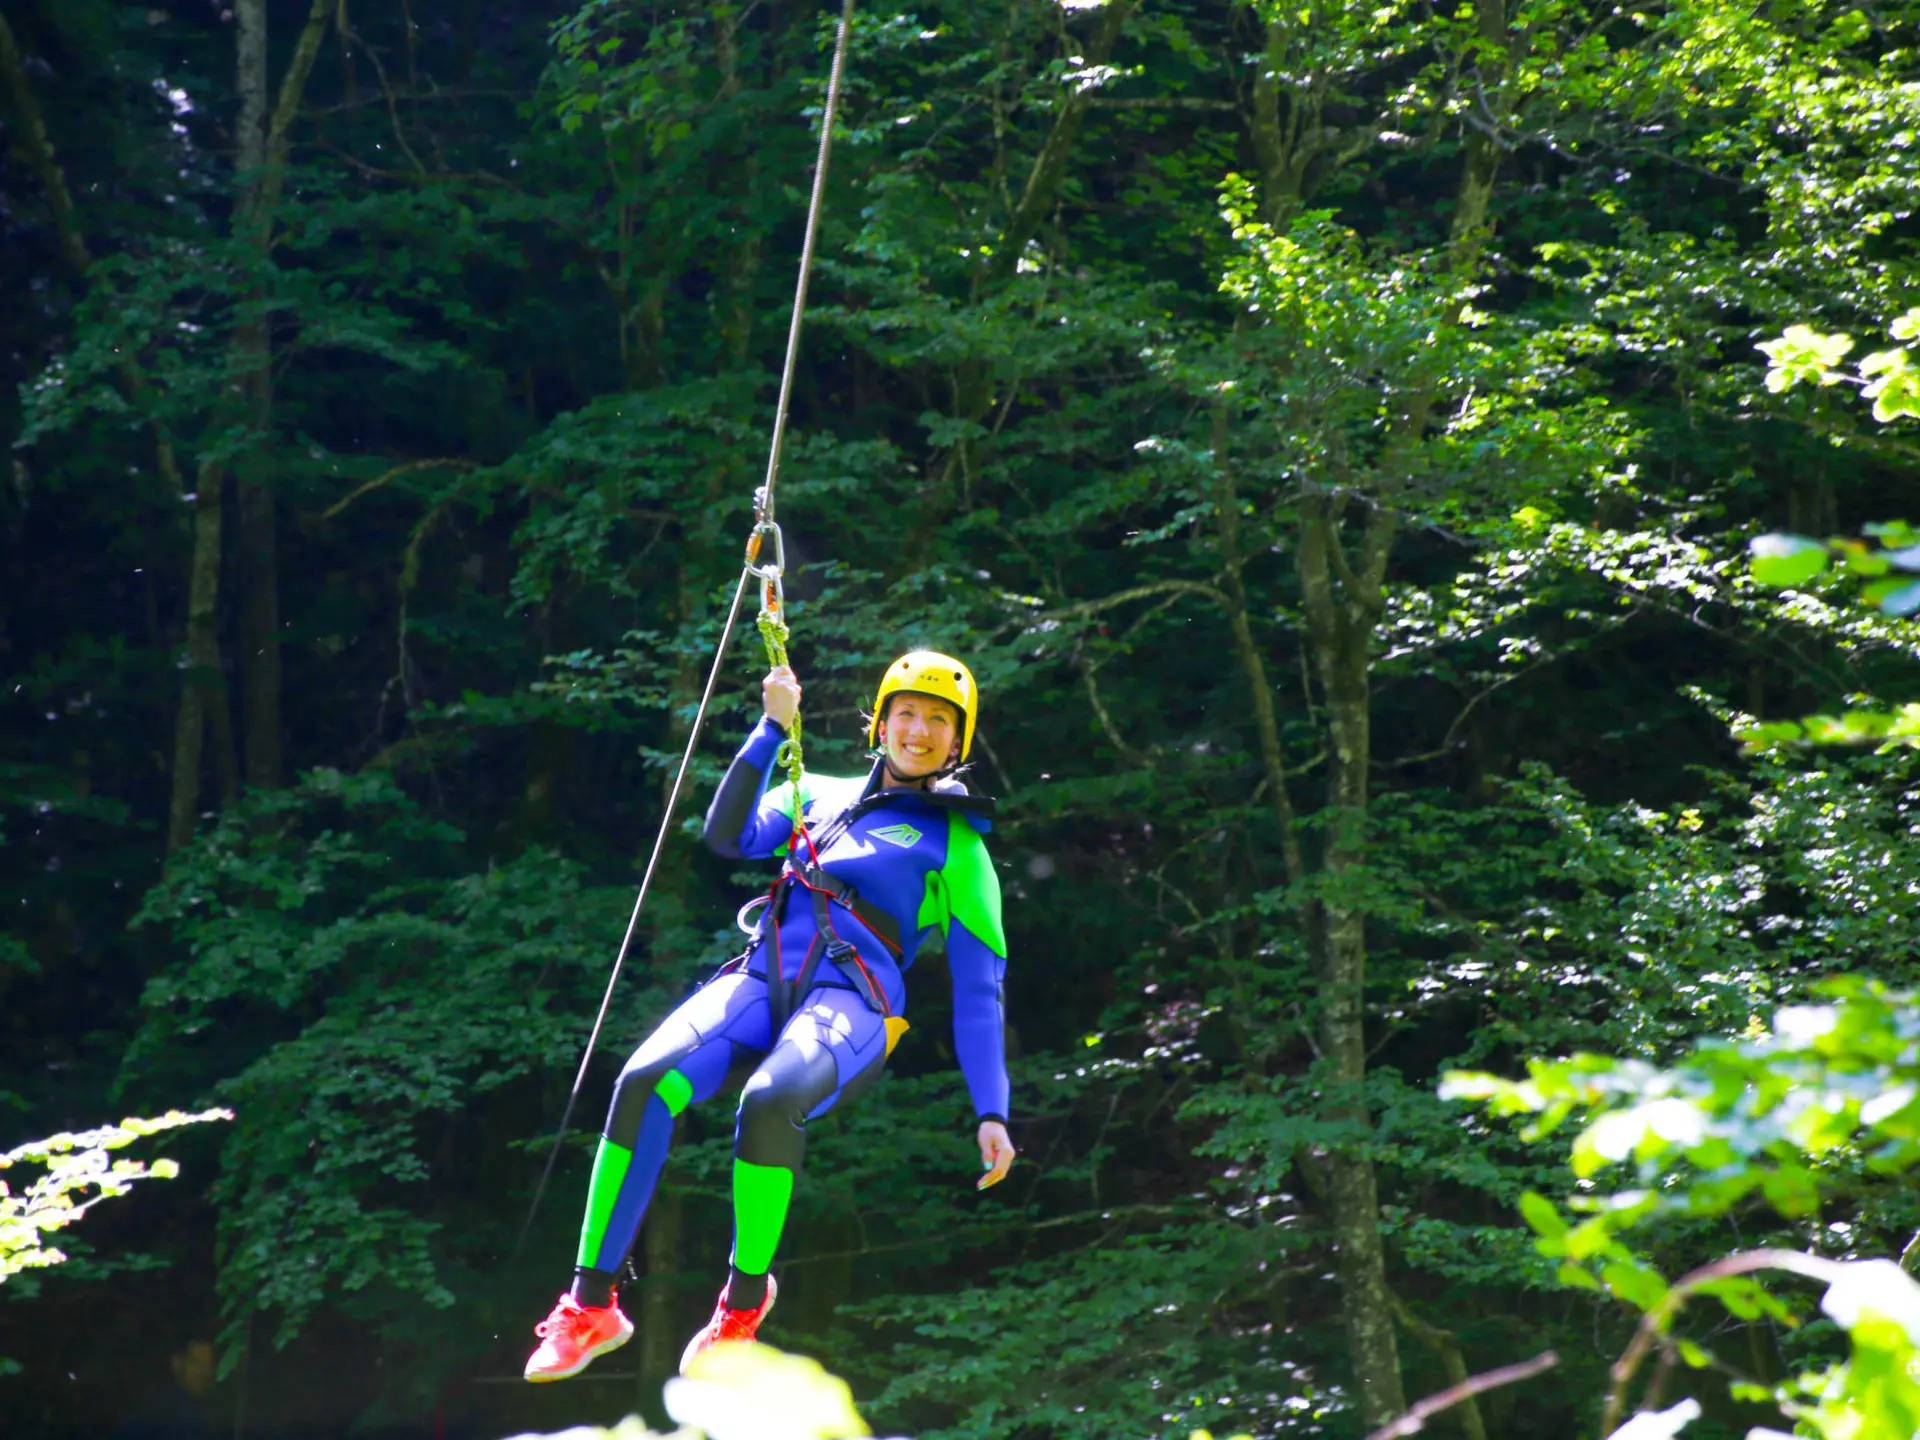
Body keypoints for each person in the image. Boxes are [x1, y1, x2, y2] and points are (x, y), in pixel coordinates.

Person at [524, 650, 1015, 1382]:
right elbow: (727, 839)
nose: (919, 730)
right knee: (645, 1079)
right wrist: (768, 728)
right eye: (906, 713)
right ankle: (592, 1306)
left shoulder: (960, 847)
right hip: (760, 979)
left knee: (770, 1100)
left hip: (853, 1004)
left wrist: (993, 1111)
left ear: (957, 744)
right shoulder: (812, 790)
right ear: (879, 723)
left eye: (939, 721)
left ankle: (741, 1310)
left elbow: (980, 991)